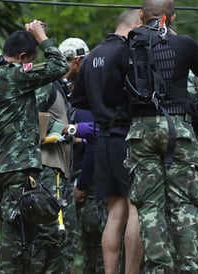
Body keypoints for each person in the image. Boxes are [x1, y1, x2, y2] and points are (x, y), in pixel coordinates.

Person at [123, 0, 198, 272]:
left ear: (141, 16)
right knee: (184, 204)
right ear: (171, 18)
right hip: (179, 129)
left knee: (149, 206)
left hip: (141, 130)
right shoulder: (184, 43)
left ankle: (158, 268)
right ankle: (191, 267)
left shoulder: (127, 45)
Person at [71, 9, 144, 274]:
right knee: (136, 208)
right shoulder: (128, 52)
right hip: (124, 136)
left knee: (115, 213)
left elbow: (78, 100)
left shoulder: (91, 57)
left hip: (101, 138)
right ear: (136, 25)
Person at [0, 20, 68, 273]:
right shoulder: (15, 77)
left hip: (0, 170)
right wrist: (41, 36)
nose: (30, 67)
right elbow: (60, 66)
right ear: (23, 57)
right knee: (18, 242)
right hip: (18, 169)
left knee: (18, 233)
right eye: (30, 60)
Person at [30, 37, 90, 274]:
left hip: (61, 172)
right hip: (48, 171)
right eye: (84, 62)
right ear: (76, 61)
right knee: (51, 237)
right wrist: (71, 130)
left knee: (66, 239)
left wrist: (78, 138)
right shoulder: (47, 84)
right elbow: (34, 123)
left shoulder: (63, 88)